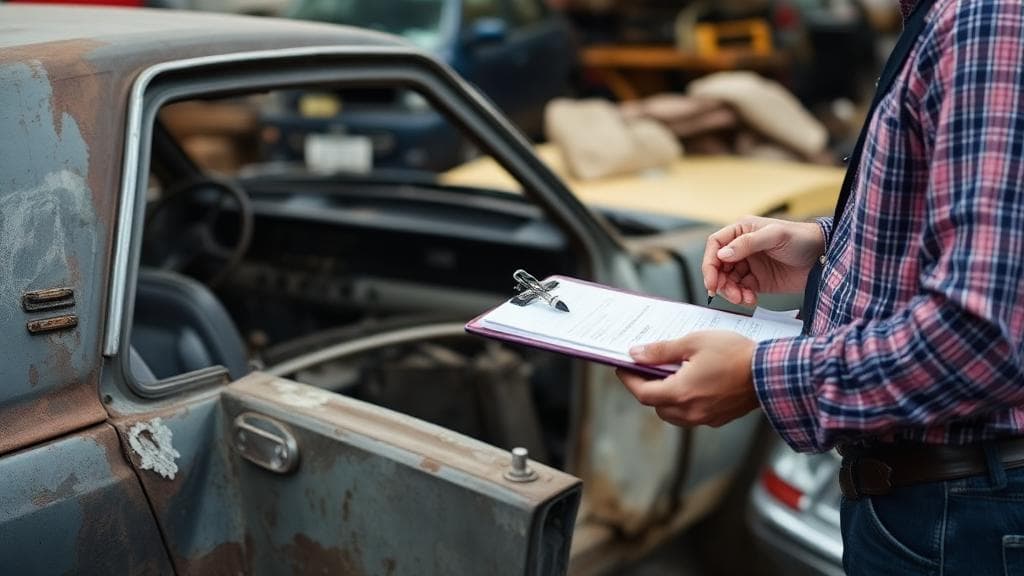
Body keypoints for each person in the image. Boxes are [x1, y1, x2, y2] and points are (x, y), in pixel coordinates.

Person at [615, 0, 1024, 574]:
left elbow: (982, 337)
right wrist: (829, 246)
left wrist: (757, 375)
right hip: (950, 500)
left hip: (960, 513)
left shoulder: (987, 18)